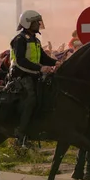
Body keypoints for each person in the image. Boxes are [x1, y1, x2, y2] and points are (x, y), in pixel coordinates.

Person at [9, 10, 59, 147]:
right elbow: (20, 61)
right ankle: (20, 133)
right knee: (31, 99)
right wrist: (40, 68)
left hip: (34, 75)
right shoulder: (19, 39)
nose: (38, 24)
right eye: (36, 22)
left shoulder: (35, 40)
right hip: (21, 75)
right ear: (28, 23)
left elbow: (43, 58)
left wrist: (57, 63)